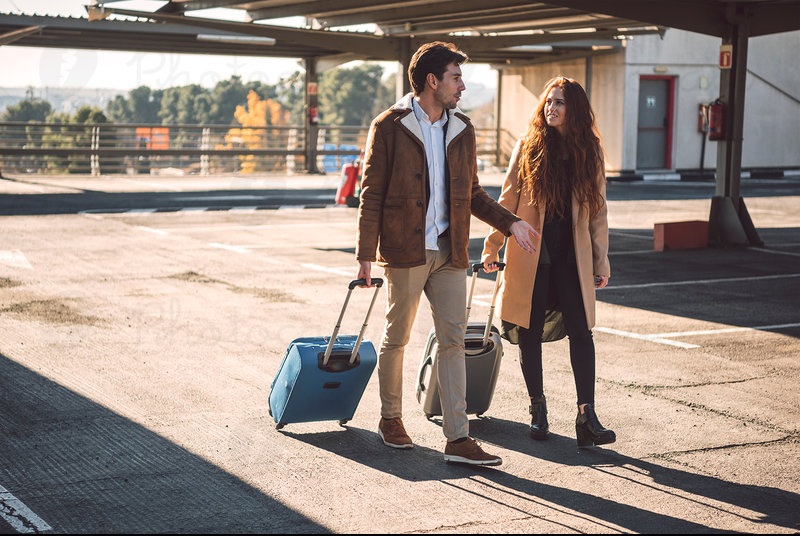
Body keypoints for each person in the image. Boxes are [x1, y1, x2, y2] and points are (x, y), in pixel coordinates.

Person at [355, 41, 538, 466]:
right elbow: (372, 194)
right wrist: (366, 255)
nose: (463, 86)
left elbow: (472, 193)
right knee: (396, 337)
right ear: (432, 81)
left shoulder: (462, 128)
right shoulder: (389, 126)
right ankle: (391, 418)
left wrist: (510, 222)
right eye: (456, 77)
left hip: (450, 251)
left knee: (453, 341)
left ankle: (458, 438)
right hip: (404, 250)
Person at [481, 76, 616, 448]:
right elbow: (506, 202)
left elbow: (598, 212)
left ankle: (586, 416)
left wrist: (600, 260)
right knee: (529, 330)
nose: (551, 108)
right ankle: (537, 408)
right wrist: (492, 246)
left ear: (575, 110)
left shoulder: (590, 151)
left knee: (582, 333)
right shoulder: (528, 146)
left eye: (560, 103)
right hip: (531, 256)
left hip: (572, 259)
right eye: (549, 102)